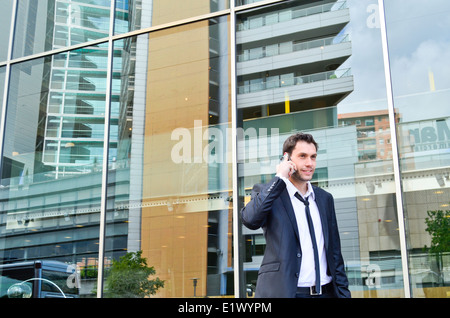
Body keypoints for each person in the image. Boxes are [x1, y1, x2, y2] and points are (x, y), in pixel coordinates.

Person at [241, 133, 351, 298]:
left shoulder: (324, 198)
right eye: (302, 156)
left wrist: (343, 294)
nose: (309, 163)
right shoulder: (271, 193)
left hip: (326, 293)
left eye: (313, 157)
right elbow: (250, 219)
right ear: (287, 159)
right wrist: (280, 178)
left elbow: (335, 253)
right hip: (288, 293)